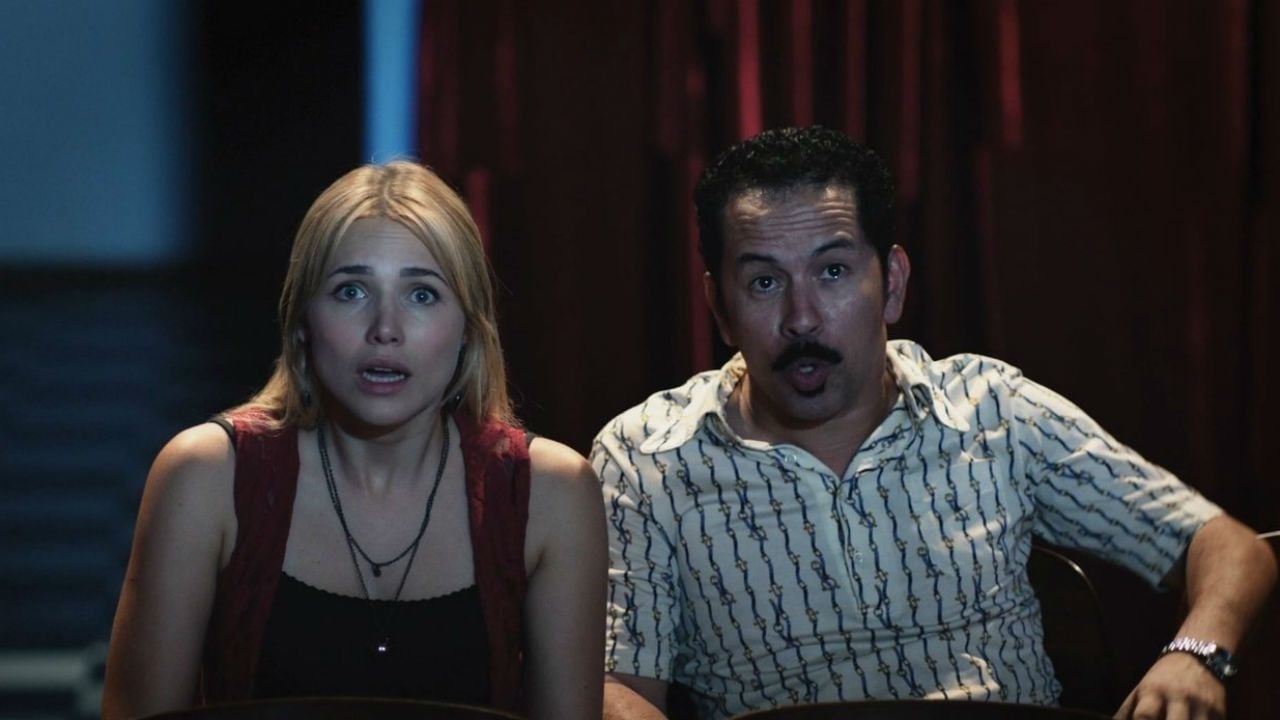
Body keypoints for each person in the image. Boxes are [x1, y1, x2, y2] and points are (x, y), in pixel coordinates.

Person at [593, 126, 1276, 720]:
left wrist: (1195, 656)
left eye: (833, 272)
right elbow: (617, 688)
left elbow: (1226, 546)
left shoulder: (993, 412)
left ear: (891, 283)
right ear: (719, 306)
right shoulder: (648, 459)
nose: (802, 319)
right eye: (765, 282)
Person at [103, 161, 606, 720]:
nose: (385, 329)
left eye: (422, 295)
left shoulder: (551, 493)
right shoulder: (204, 476)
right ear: (302, 321)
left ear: (469, 328)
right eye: (350, 291)